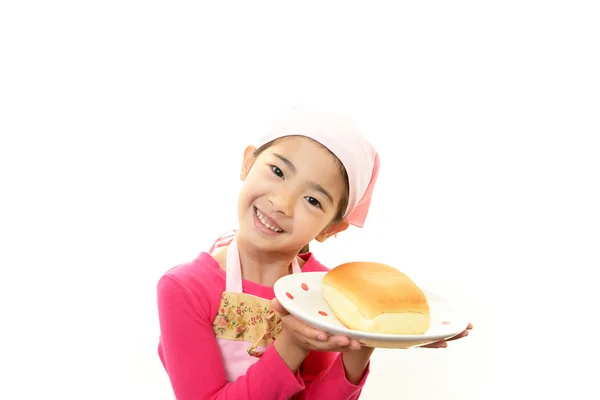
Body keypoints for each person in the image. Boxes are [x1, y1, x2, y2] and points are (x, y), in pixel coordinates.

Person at [156, 106, 472, 400]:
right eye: (278, 171)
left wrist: (358, 349)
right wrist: (292, 346)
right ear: (248, 162)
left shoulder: (323, 291)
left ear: (331, 229)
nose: (282, 202)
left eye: (313, 200)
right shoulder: (185, 288)